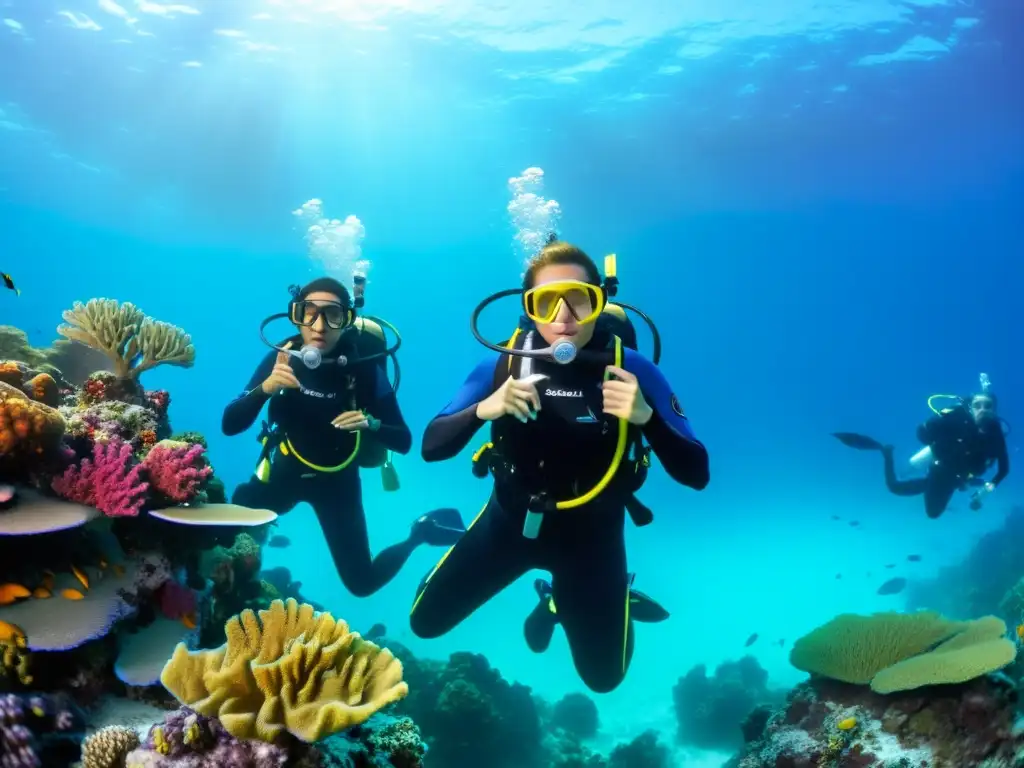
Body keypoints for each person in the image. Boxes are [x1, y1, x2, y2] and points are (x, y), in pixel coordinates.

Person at [408, 240, 710, 693]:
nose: (563, 315)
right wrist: (484, 409)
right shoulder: (503, 364)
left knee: (603, 679)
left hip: (593, 543)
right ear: (529, 309)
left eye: (579, 298)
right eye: (546, 301)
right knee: (423, 624)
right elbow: (432, 446)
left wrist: (647, 417)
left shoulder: (634, 370)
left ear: (599, 303)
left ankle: (565, 602)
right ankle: (558, 600)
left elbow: (696, 474)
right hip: (507, 527)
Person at [222, 277, 464, 597]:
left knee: (362, 583)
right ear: (295, 316)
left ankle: (419, 534)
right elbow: (230, 424)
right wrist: (264, 390)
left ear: (346, 320)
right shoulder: (283, 357)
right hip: (285, 470)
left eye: (333, 315)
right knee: (226, 530)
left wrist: (371, 424)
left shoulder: (363, 370)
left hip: (337, 482)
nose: (319, 325)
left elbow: (403, 441)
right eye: (308, 312)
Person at [833, 375, 1010, 519]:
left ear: (994, 410)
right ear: (970, 408)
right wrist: (934, 424)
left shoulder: (996, 435)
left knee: (935, 513)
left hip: (960, 478)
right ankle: (887, 454)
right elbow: (922, 434)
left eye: (988, 406)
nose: (983, 409)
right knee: (900, 491)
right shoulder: (956, 420)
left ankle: (966, 482)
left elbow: (1003, 470)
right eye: (977, 405)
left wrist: (983, 494)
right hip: (940, 473)